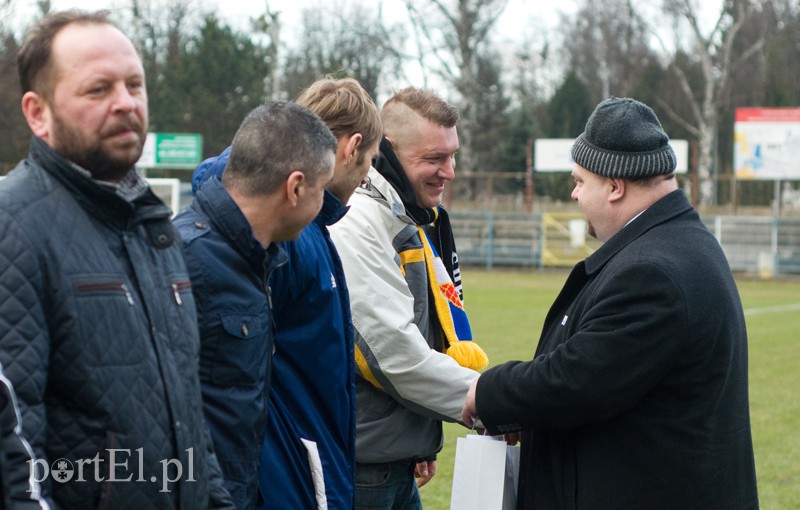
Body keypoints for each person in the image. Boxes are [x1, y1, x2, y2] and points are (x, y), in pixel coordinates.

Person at [461, 97, 759, 509]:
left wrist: (489, 392)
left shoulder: (652, 271)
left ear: (616, 187)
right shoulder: (678, 244)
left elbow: (576, 381)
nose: (574, 194)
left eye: (580, 181)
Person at [0, 9, 233, 509]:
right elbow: (12, 442)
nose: (126, 102)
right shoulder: (12, 226)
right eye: (98, 89)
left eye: (134, 85)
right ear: (37, 113)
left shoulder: (154, 226)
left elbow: (188, 417)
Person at [328, 86, 489, 509]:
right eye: (434, 158)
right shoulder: (357, 221)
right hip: (364, 469)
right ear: (387, 151)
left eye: (452, 156)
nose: (448, 171)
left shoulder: (402, 212)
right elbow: (394, 354)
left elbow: (420, 326)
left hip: (390, 458)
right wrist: (488, 399)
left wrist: (417, 435)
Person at [172, 101, 337, 509]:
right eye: (322, 190)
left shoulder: (255, 260)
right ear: (295, 188)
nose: (324, 204)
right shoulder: (183, 261)